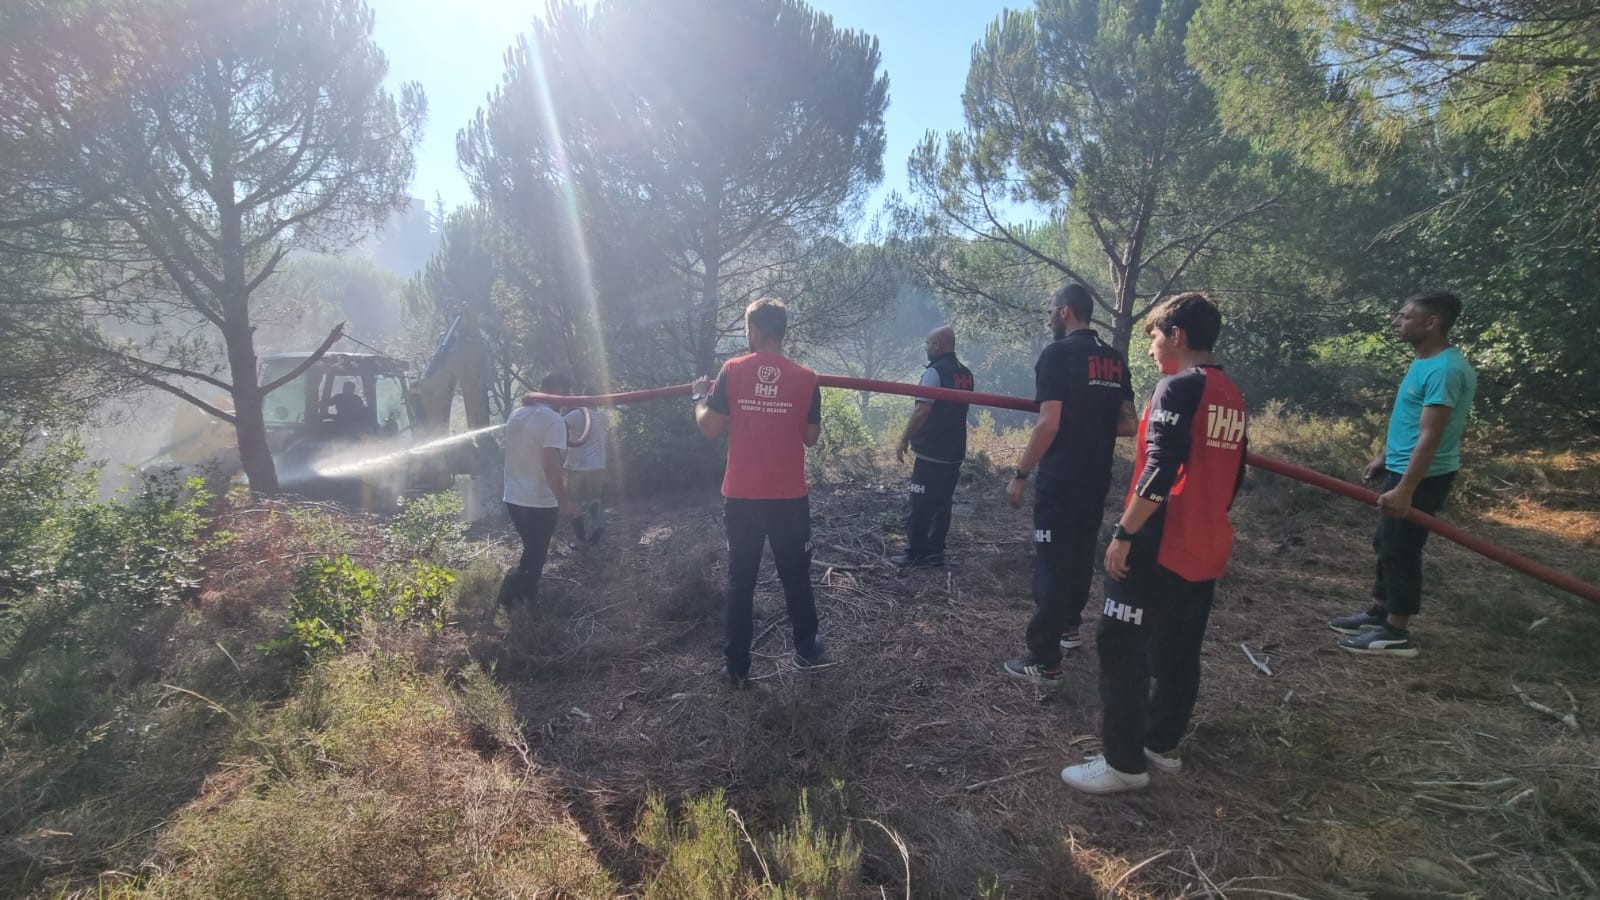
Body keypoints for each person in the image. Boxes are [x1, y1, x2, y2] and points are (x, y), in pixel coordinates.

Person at [1060, 292, 1247, 795]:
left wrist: (1125, 533)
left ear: (1178, 336)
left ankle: (1122, 763)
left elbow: (1161, 468)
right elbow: (1234, 477)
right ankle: (1161, 745)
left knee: (1120, 645)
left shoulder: (1176, 388)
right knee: (1179, 648)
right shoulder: (1229, 392)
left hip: (1161, 544)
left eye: (1155, 337)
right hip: (1207, 544)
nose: (1150, 350)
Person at [1330, 291, 1475, 657]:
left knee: (1401, 547)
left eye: (1405, 316)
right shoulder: (1425, 362)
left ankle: (1397, 630)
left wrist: (1406, 489)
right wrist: (1384, 457)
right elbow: (1412, 424)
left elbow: (1431, 434)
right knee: (1386, 540)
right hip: (1402, 467)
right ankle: (1380, 611)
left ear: (1432, 322)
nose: (1397, 321)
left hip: (1423, 476)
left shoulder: (1445, 369)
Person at [1002, 284, 1135, 683]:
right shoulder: (1114, 359)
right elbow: (1128, 424)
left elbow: (1049, 423)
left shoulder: (1057, 355)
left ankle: (1043, 658)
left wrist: (1020, 475)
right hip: (1096, 476)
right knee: (1078, 555)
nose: (1048, 317)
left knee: (1051, 563)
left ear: (1064, 312)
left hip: (1061, 479)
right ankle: (1069, 628)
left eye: (1049, 310)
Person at [691, 297, 825, 689]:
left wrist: (699, 397)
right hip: (789, 499)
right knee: (796, 576)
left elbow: (710, 428)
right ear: (782, 331)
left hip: (743, 497)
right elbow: (812, 438)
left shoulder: (732, 370)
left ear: (754, 330)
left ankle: (736, 669)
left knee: (741, 581)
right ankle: (807, 650)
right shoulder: (807, 377)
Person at [890, 325, 973, 568]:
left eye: (927, 343)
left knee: (920, 501)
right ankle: (936, 553)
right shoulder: (966, 374)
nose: (925, 347)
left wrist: (904, 438)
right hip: (954, 451)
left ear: (937, 345)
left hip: (931, 451)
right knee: (943, 502)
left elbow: (923, 408)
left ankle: (915, 553)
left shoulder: (934, 373)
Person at [497, 372, 573, 609]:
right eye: (566, 394)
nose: (567, 399)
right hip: (539, 501)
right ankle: (517, 602)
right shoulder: (553, 421)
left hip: (514, 497)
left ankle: (513, 601)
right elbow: (550, 465)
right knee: (536, 555)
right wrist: (564, 501)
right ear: (558, 394)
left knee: (532, 551)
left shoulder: (516, 414)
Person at [563, 393, 610, 545]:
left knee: (574, 502)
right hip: (598, 466)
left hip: (576, 466)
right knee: (594, 499)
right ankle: (597, 525)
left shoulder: (574, 415)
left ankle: (580, 539)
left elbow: (558, 428)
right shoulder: (604, 418)